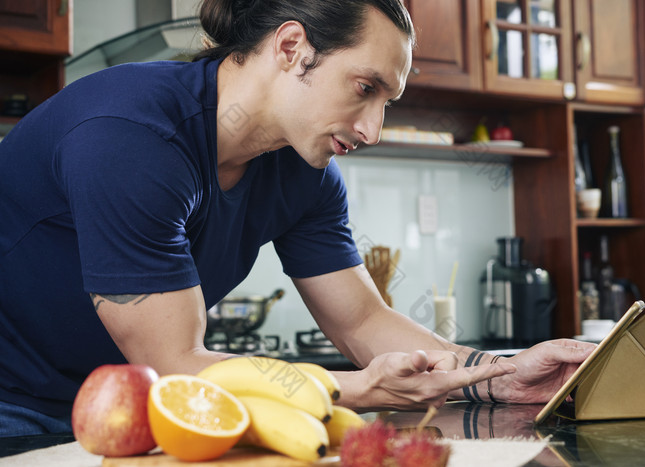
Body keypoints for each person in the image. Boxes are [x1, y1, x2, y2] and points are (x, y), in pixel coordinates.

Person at [0, 0, 594, 437]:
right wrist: (360, 389)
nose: (371, 130)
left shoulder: (302, 172)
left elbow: (362, 321)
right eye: (364, 87)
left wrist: (503, 372)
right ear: (291, 48)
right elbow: (176, 362)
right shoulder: (132, 137)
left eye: (386, 102)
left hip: (118, 407)